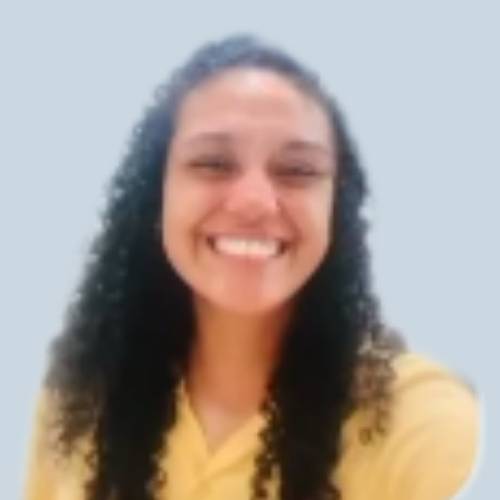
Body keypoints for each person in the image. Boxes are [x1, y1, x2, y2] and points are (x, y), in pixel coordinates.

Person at [25, 34, 479, 500]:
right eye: (213, 163)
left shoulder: (426, 424)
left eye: (298, 171)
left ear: (335, 210)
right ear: (156, 196)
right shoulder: (75, 404)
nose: (254, 202)